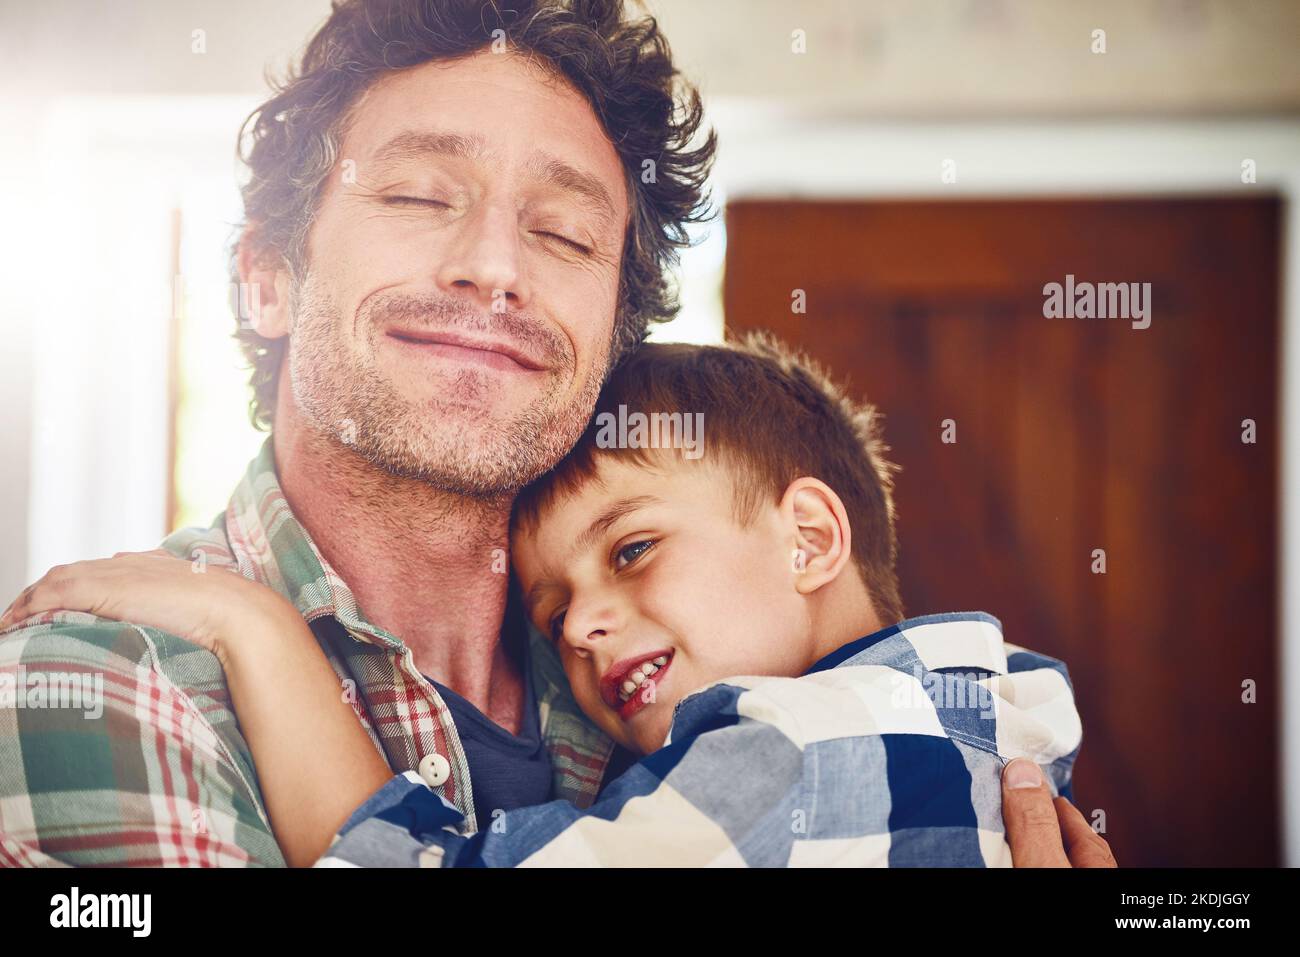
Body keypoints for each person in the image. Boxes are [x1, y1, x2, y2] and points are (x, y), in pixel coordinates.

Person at [0, 0, 1111, 868]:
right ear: (266, 280)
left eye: (564, 232)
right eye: (421, 196)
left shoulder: (690, 674)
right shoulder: (103, 674)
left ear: (612, 336)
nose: (494, 265)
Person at [5, 338, 1084, 867]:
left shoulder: (804, 753)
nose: (576, 625)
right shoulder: (994, 711)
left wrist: (255, 626)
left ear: (809, 536)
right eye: (551, 603)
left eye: (635, 548)